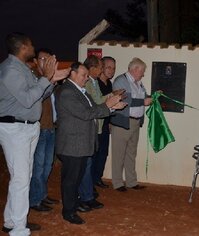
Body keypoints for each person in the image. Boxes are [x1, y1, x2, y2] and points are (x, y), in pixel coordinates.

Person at [0, 32, 66, 235]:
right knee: (21, 179)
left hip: (28, 127)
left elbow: (39, 95)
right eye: (30, 45)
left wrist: (52, 81)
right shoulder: (11, 70)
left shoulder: (22, 69)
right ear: (22, 47)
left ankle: (11, 221)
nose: (33, 48)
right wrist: (46, 78)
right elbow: (28, 99)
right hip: (15, 128)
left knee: (22, 177)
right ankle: (19, 228)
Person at [55, 62, 126, 224]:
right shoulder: (67, 92)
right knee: (71, 180)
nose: (86, 78)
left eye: (87, 75)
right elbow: (86, 114)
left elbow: (95, 108)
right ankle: (68, 211)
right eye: (83, 75)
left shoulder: (81, 92)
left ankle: (75, 203)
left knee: (77, 178)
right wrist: (109, 105)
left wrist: (113, 107)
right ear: (72, 74)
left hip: (80, 143)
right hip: (72, 144)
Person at [110, 57, 152, 192]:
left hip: (135, 122)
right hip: (122, 122)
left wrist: (154, 96)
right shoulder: (121, 80)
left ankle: (131, 181)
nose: (143, 74)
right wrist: (143, 102)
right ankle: (117, 183)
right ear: (135, 69)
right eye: (142, 71)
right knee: (118, 154)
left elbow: (144, 97)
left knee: (131, 153)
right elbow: (125, 99)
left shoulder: (138, 83)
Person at [29, 48, 60, 212]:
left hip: (50, 128)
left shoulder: (49, 79)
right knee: (38, 166)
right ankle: (35, 200)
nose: (45, 62)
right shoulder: (34, 78)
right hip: (39, 128)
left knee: (47, 166)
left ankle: (42, 195)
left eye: (48, 59)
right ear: (35, 61)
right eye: (42, 59)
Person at [75, 55, 105, 212]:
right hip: (82, 132)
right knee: (84, 165)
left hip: (92, 128)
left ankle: (87, 195)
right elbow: (95, 104)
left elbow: (96, 103)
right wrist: (111, 99)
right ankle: (84, 197)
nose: (101, 70)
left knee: (88, 164)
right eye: (100, 67)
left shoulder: (93, 83)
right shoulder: (73, 90)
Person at [92, 56, 115, 188]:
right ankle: (91, 180)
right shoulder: (95, 84)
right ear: (101, 68)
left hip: (106, 123)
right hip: (96, 124)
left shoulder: (109, 84)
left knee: (103, 152)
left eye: (113, 68)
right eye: (108, 67)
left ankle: (97, 178)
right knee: (95, 152)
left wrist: (110, 122)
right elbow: (100, 103)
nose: (111, 71)